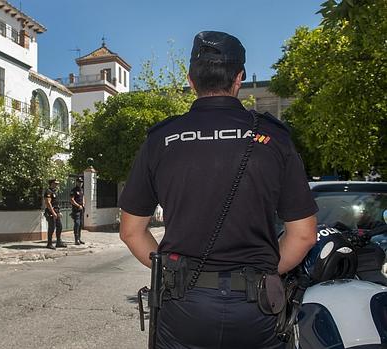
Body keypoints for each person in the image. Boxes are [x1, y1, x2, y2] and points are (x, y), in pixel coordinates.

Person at [118, 31, 318, 349]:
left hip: (183, 304)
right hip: (257, 307)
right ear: (238, 78)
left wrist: (171, 271)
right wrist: (263, 271)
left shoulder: (162, 139)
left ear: (191, 80)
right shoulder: (274, 138)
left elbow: (131, 232)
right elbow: (304, 235)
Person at [44, 178, 66, 249]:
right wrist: (53, 213)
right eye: (55, 183)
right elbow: (48, 203)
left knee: (59, 226)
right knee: (52, 227)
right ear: (51, 184)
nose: (56, 185)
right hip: (51, 212)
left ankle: (59, 242)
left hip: (56, 211)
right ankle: (49, 243)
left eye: (57, 184)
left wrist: (58, 212)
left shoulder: (55, 191)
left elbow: (56, 203)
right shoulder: (48, 191)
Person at [70, 177, 86, 245]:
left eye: (81, 182)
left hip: (81, 209)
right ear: (76, 182)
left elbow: (83, 197)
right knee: (77, 224)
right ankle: (76, 239)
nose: (80, 183)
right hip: (76, 209)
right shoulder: (73, 190)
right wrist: (78, 206)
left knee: (80, 224)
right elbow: (72, 200)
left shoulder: (81, 190)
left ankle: (79, 238)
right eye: (79, 182)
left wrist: (83, 204)